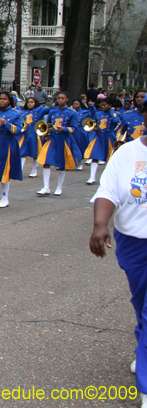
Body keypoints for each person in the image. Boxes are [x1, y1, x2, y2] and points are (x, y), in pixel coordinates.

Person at [88, 99, 147, 404]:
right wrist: (100, 224)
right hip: (134, 242)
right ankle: (143, 344)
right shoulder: (127, 153)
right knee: (141, 302)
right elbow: (109, 190)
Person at [36, 91, 80, 195]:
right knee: (46, 161)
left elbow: (74, 128)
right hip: (52, 139)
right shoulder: (52, 112)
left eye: (62, 98)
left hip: (64, 140)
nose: (60, 100)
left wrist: (65, 129)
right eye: (59, 98)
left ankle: (59, 187)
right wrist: (46, 133)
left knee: (62, 164)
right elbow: (48, 124)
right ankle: (46, 187)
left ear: (67, 99)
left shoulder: (72, 113)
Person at [85, 97, 121, 185]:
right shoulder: (98, 113)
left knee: (110, 158)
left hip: (109, 137)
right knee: (95, 155)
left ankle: (109, 177)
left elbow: (116, 120)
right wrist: (94, 128)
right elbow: (95, 123)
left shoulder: (114, 113)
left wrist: (111, 111)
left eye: (105, 105)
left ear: (110, 105)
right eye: (102, 105)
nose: (103, 107)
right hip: (99, 137)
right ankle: (92, 177)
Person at [18, 97, 50, 178]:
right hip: (25, 133)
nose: (30, 104)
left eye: (32, 102)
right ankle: (19, 170)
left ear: (35, 103)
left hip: (35, 133)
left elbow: (48, 109)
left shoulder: (40, 110)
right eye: (28, 102)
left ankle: (34, 170)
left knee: (35, 152)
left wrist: (56, 103)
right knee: (22, 152)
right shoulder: (23, 112)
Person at [71, 98, 93, 170]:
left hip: (81, 132)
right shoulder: (70, 112)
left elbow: (93, 116)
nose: (75, 105)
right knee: (73, 147)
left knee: (81, 147)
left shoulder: (85, 112)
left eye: (77, 104)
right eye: (74, 104)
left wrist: (92, 106)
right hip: (72, 132)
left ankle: (80, 162)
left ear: (80, 105)